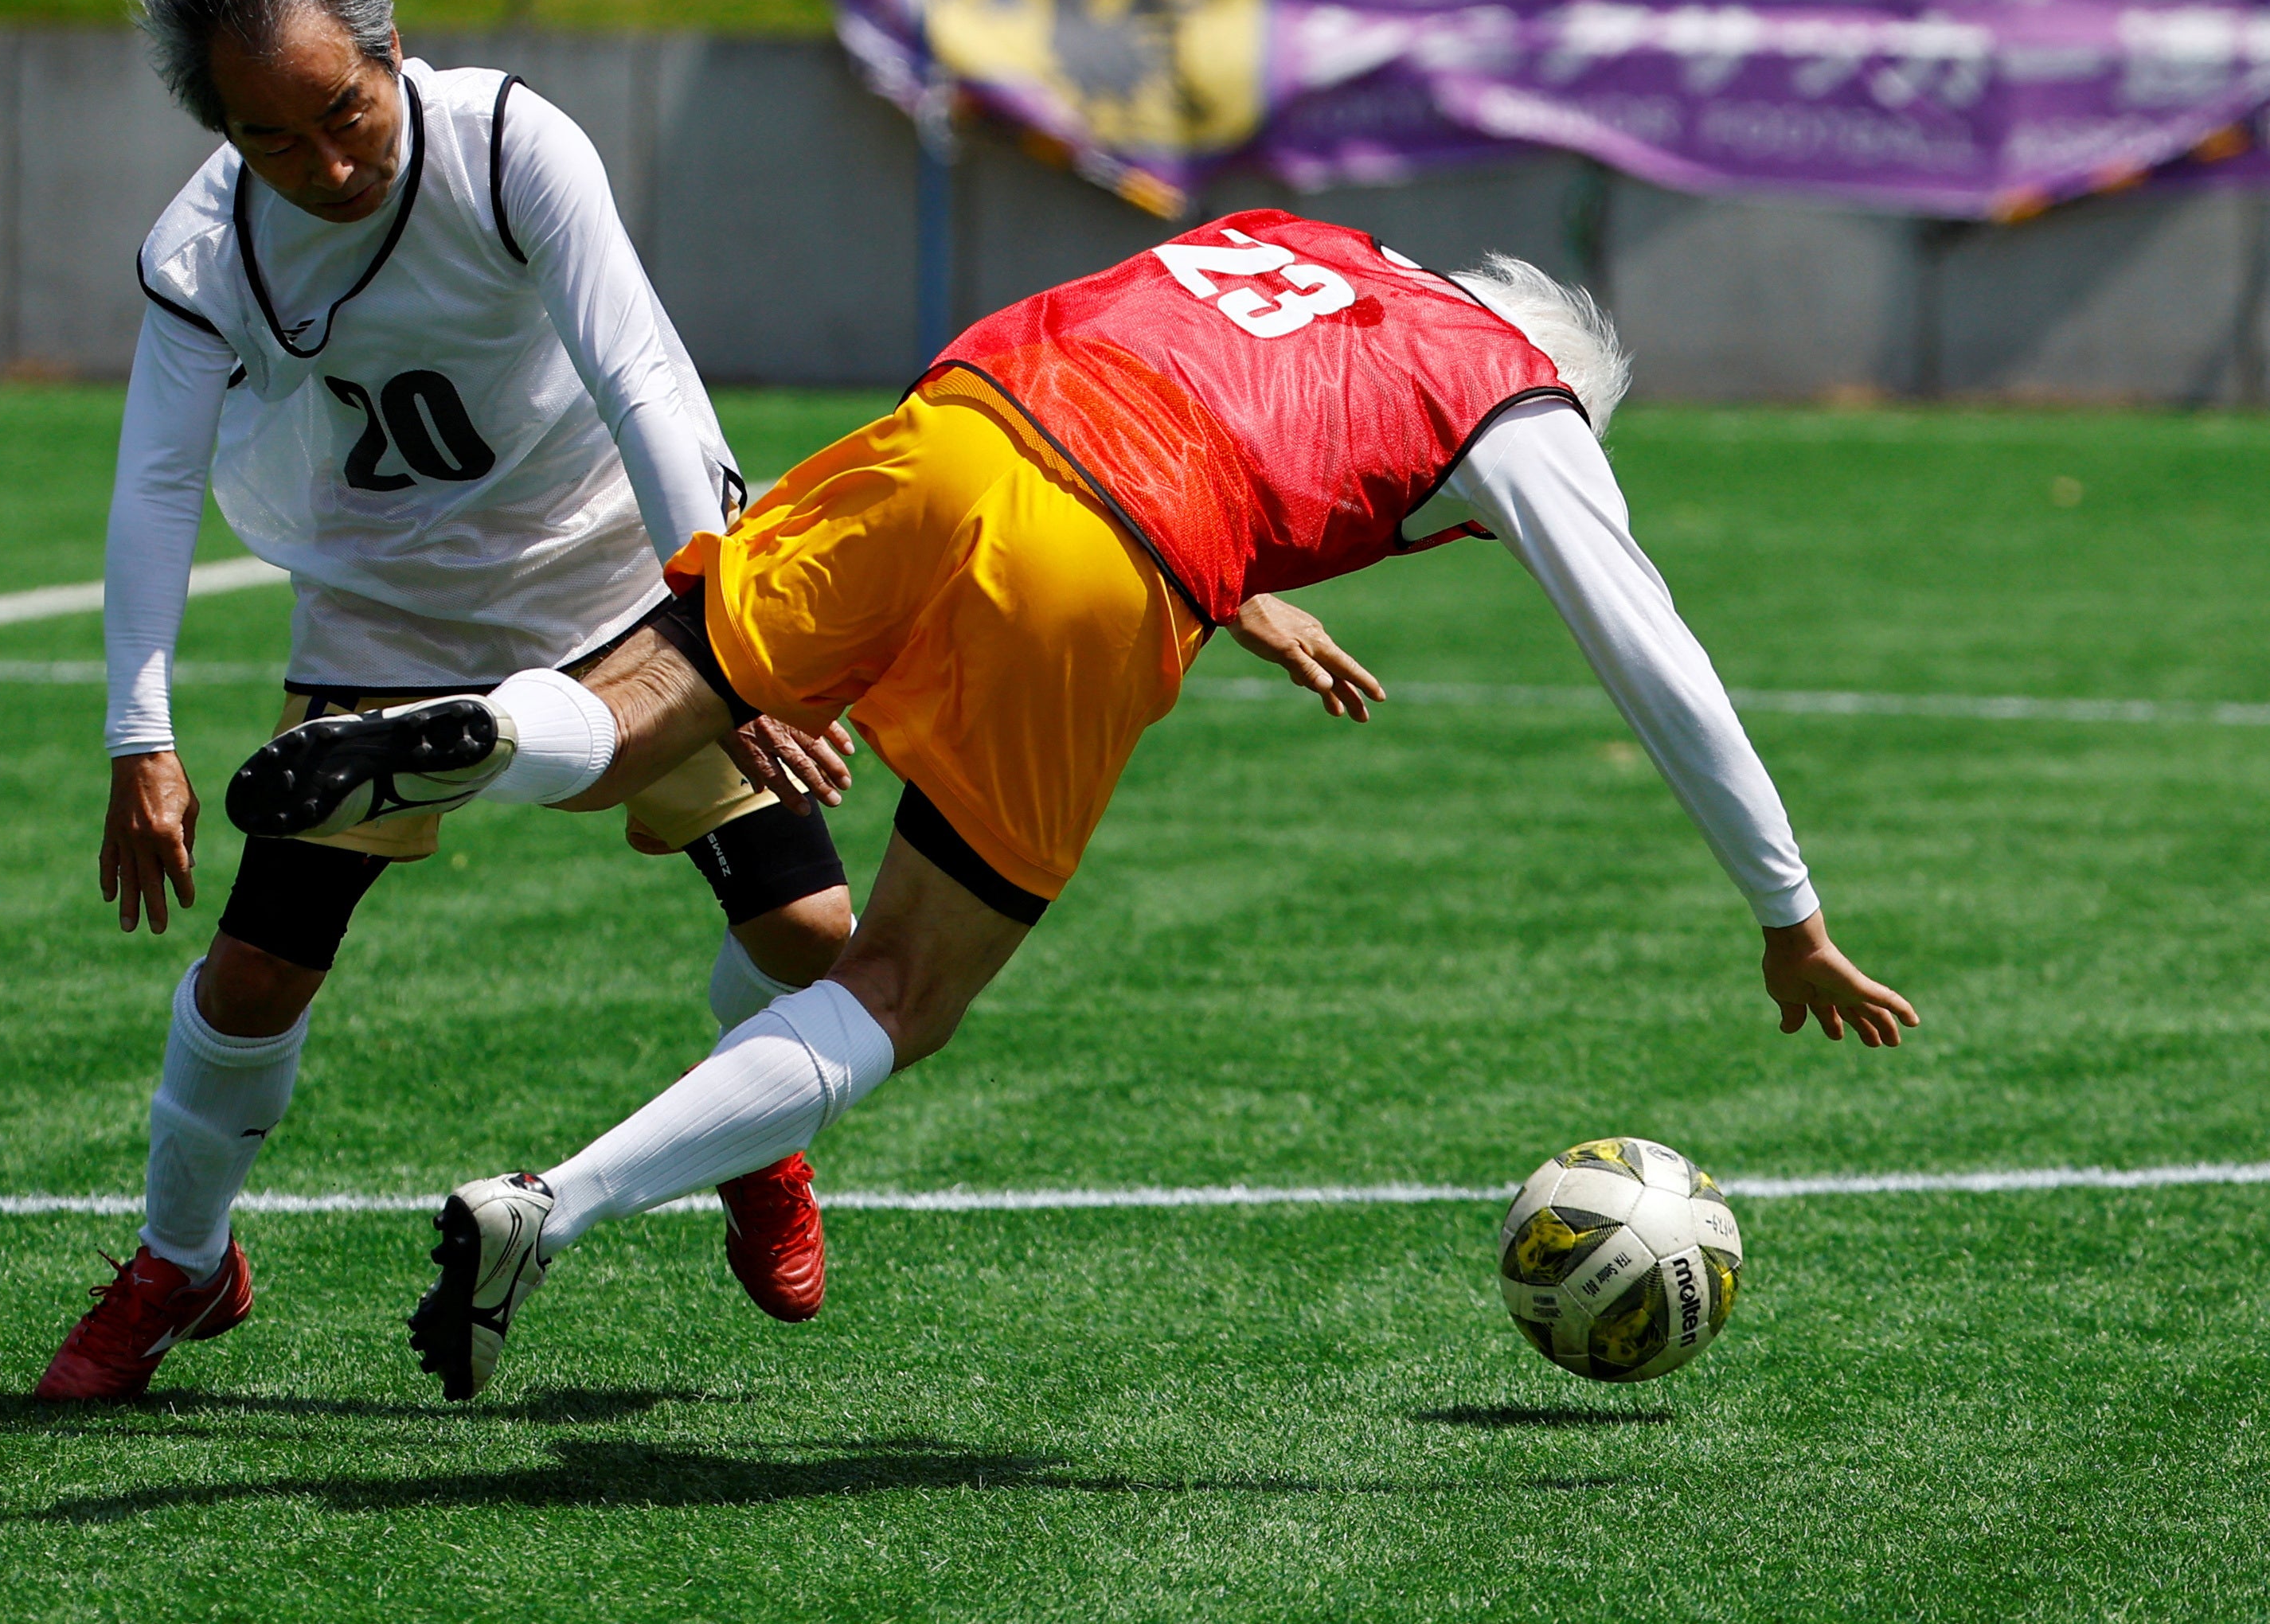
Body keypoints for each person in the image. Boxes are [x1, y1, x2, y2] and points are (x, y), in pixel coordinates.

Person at [229, 213, 1923, 1402]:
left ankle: (467, 725)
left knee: (626, 718)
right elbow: (1660, 663)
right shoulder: (1523, 413)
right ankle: (556, 1204)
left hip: (954, 425)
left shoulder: (1309, 247)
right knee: (897, 986)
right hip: (1096, 565)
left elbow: (1188, 378)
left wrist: (1245, 586)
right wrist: (1790, 916)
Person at [35, 0, 860, 1403]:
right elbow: (151, 488)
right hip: (382, 632)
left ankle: (754, 1130)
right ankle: (183, 1263)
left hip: (627, 593)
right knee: (253, 979)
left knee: (815, 941)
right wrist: (138, 735)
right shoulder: (208, 249)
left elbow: (647, 380)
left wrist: (737, 635)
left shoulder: (505, 142)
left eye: (341, 110)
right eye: (266, 136)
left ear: (390, 50)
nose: (323, 165)